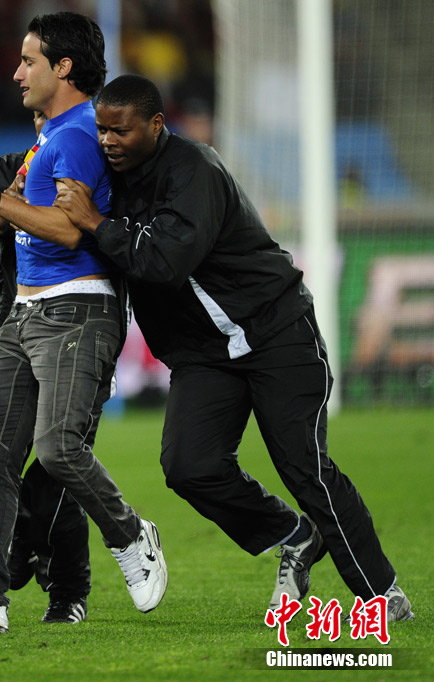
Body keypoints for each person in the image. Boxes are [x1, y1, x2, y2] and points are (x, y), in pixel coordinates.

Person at [54, 74, 413, 621]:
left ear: (156, 124)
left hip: (276, 331)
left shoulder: (194, 169)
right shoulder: (108, 176)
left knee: (304, 467)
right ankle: (294, 535)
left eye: (120, 131)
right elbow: (41, 186)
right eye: (102, 130)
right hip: (204, 354)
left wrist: (95, 222)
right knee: (188, 466)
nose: (107, 141)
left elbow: (165, 262)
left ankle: (381, 594)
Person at [0, 12, 167, 636]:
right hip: (24, 311)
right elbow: (42, 219)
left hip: (75, 310)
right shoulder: (51, 138)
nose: (18, 73)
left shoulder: (77, 134)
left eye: (29, 61)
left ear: (63, 67)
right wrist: (1, 216)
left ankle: (130, 534)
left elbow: (70, 230)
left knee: (57, 449)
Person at [0, 110, 92, 624]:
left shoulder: (87, 165)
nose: (39, 119)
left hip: (70, 336)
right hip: (10, 332)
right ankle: (22, 539)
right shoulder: (11, 168)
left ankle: (69, 591)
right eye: (32, 114)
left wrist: (6, 211)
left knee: (54, 472)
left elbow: (86, 234)